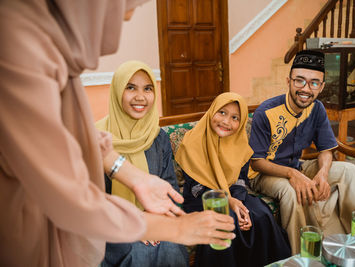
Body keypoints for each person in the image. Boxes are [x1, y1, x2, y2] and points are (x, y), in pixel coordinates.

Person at [0, 1, 234, 266]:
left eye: (148, 89)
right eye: (126, 5)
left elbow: (74, 137)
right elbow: (71, 197)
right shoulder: (18, 49)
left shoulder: (51, 50)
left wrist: (134, 177)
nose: (130, 15)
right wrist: (175, 229)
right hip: (35, 233)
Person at [249, 50, 355, 254]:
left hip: (297, 166)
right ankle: (306, 255)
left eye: (313, 83)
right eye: (299, 81)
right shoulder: (265, 112)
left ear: (321, 87)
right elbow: (256, 162)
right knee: (293, 191)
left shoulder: (317, 108)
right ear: (289, 81)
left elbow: (326, 149)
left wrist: (322, 172)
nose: (305, 89)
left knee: (348, 170)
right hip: (264, 173)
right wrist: (293, 175)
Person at [176, 92, 292, 267]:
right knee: (225, 221)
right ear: (212, 111)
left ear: (241, 122)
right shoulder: (192, 142)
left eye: (235, 117)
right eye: (222, 112)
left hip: (233, 194)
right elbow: (195, 188)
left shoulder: (240, 144)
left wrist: (238, 202)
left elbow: (240, 179)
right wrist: (227, 201)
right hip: (203, 198)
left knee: (260, 215)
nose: (226, 121)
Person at [96, 60, 189, 267]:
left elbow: (170, 187)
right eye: (130, 87)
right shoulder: (97, 139)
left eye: (147, 88)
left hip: (154, 218)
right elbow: (90, 199)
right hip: (111, 227)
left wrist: (152, 218)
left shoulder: (158, 137)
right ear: (118, 91)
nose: (140, 96)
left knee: (170, 246)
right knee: (138, 253)